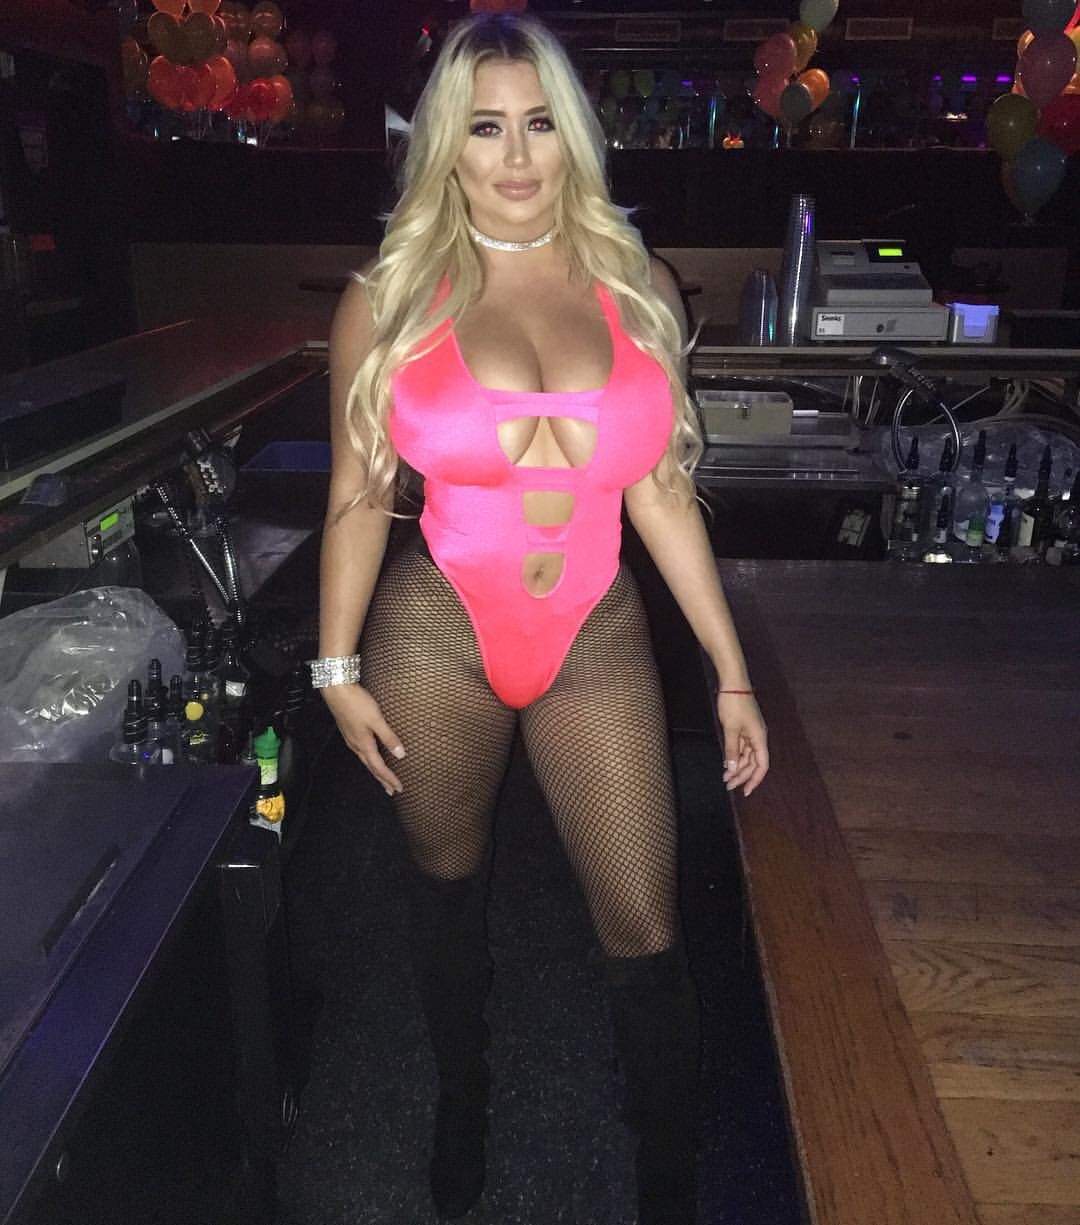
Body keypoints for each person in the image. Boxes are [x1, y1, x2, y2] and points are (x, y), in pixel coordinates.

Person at [313, 13, 769, 1223]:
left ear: (573, 135)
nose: (516, 157)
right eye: (484, 129)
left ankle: (668, 1185)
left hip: (595, 633)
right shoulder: (389, 299)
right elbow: (357, 495)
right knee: (446, 887)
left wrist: (729, 670)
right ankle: (461, 1099)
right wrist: (333, 668)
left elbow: (661, 491)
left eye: (538, 125)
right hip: (437, 633)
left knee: (646, 923)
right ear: (444, 147)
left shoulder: (638, 286)